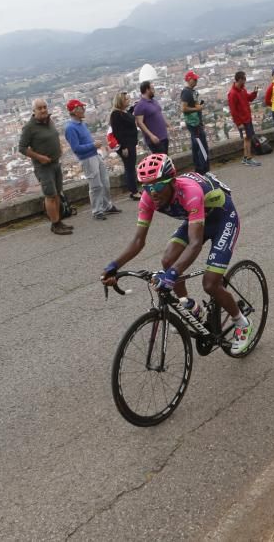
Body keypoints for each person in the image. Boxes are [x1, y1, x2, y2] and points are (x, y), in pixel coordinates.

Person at [101, 154, 255, 355]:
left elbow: (195, 244)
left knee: (210, 283)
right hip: (197, 219)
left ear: (172, 181)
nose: (151, 192)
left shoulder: (189, 192)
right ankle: (189, 306)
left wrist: (172, 276)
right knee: (167, 260)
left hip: (222, 219)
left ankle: (241, 322)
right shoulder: (148, 198)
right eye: (146, 187)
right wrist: (113, 266)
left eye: (156, 186)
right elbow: (138, 241)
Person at [20, 98, 73, 235]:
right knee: (50, 195)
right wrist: (40, 157)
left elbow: (54, 136)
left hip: (55, 163)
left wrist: (60, 148)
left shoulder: (49, 121)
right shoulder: (29, 127)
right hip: (43, 167)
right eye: (40, 108)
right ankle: (55, 224)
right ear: (34, 111)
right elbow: (22, 148)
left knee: (56, 194)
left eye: (45, 107)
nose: (43, 110)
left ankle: (59, 221)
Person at [64, 99, 121, 221]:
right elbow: (76, 148)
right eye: (81, 108)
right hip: (87, 158)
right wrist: (93, 145)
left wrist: (94, 147)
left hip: (95, 155)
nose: (84, 110)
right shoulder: (70, 128)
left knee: (105, 182)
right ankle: (97, 210)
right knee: (95, 186)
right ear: (75, 111)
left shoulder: (81, 124)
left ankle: (107, 206)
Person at [227, 71, 262, 166]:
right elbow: (233, 111)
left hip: (247, 118)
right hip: (242, 121)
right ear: (239, 80)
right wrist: (239, 123)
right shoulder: (232, 93)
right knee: (248, 138)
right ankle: (249, 158)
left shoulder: (242, 90)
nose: (245, 81)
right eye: (244, 79)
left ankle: (246, 157)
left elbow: (249, 98)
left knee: (247, 138)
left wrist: (254, 93)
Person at [110, 92, 140, 200]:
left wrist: (133, 108)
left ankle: (134, 190)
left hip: (130, 143)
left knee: (131, 167)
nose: (128, 100)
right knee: (130, 168)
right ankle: (134, 192)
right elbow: (118, 132)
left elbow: (128, 117)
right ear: (120, 101)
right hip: (126, 146)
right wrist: (123, 147)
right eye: (126, 99)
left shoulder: (123, 112)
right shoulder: (116, 114)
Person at [181, 70, 210, 173]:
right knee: (202, 147)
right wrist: (197, 109)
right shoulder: (186, 92)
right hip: (194, 124)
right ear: (189, 79)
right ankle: (204, 171)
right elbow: (184, 108)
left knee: (196, 146)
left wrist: (199, 107)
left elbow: (194, 105)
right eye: (194, 79)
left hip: (196, 123)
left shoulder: (193, 92)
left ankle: (199, 169)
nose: (196, 81)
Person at [134, 81, 169, 153]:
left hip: (163, 136)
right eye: (152, 89)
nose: (154, 91)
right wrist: (151, 136)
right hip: (155, 140)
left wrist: (166, 123)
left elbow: (159, 113)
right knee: (160, 161)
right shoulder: (140, 106)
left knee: (165, 159)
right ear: (147, 90)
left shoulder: (154, 101)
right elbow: (139, 123)